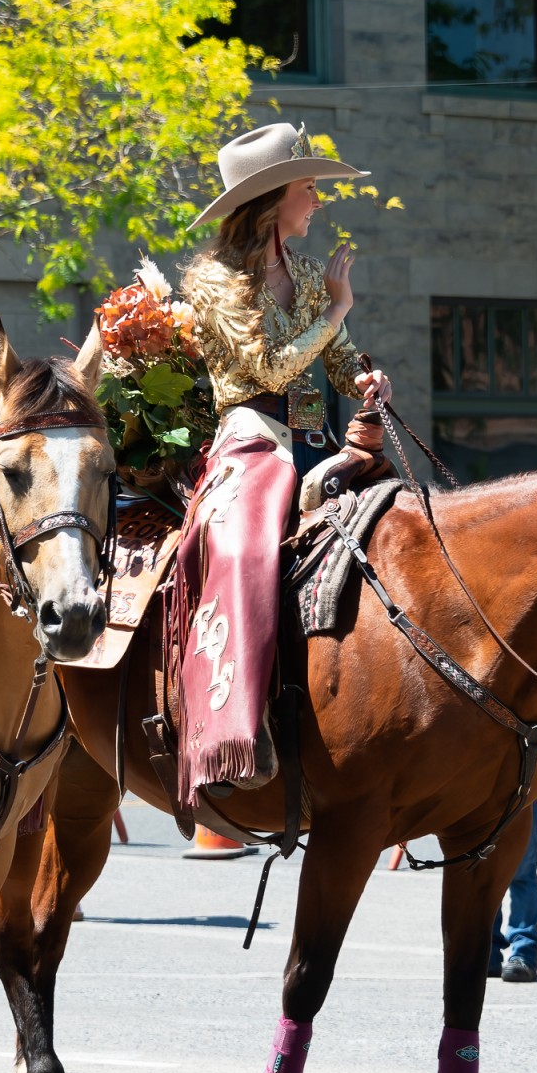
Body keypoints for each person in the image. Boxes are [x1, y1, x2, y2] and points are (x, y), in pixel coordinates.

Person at [171, 120, 391, 814]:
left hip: (312, 436)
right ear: (271, 200)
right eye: (307, 188)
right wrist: (336, 310)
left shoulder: (302, 272)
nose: (317, 201)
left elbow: (336, 357)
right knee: (243, 547)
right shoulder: (212, 280)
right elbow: (266, 368)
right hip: (249, 436)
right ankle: (232, 728)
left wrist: (365, 378)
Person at [489, 797, 537, 982]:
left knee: (521, 874)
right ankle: (485, 953)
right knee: (483, 874)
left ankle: (524, 954)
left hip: (526, 788)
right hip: (480, 788)